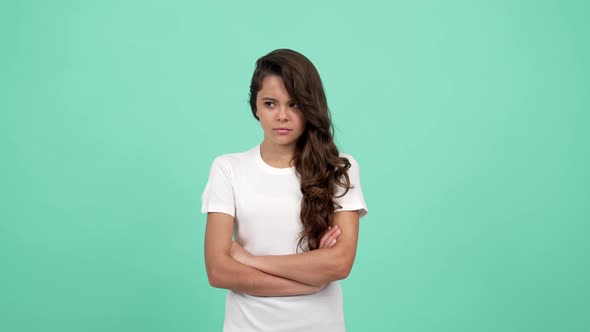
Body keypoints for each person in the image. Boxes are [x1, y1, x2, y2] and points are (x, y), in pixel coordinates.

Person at [201, 48, 368, 332]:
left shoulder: (340, 168)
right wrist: (311, 278)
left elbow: (339, 264)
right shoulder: (227, 168)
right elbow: (218, 271)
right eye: (270, 103)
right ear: (255, 106)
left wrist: (250, 261)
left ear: (310, 106)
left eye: (294, 104)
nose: (282, 116)